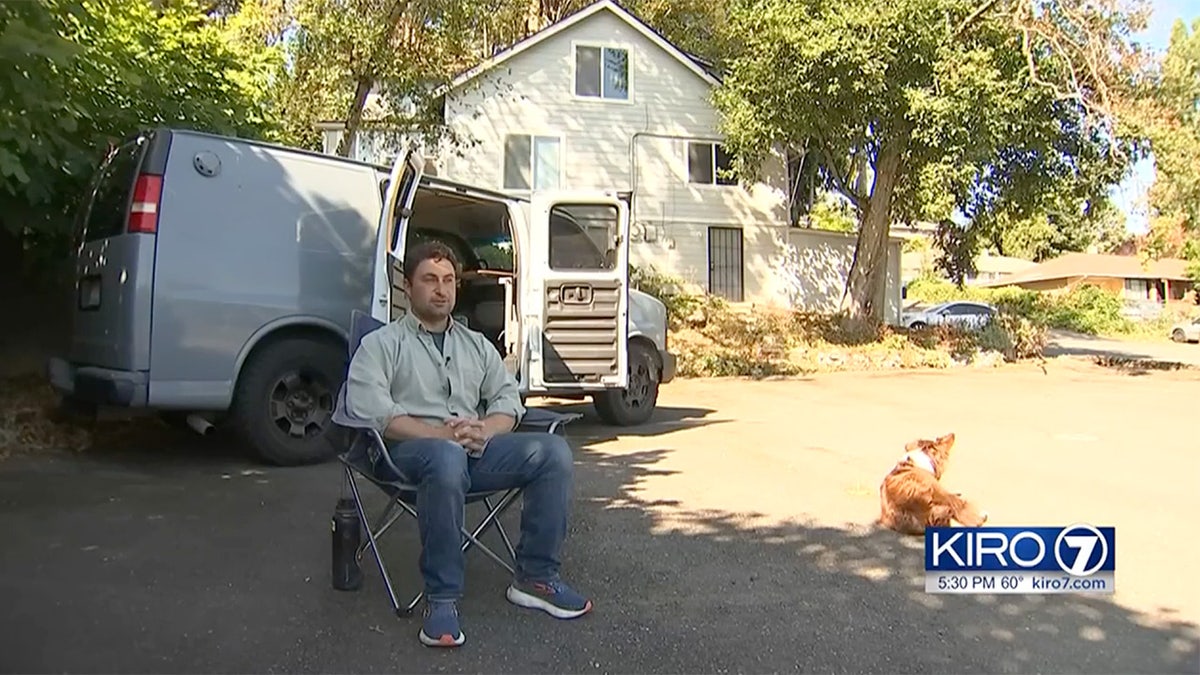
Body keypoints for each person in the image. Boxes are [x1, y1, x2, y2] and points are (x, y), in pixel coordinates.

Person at [345, 240, 592, 648]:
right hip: (407, 456)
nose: (441, 290)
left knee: (553, 453)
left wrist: (488, 429)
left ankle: (535, 578)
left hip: (473, 449)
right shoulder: (383, 344)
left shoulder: (476, 345)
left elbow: (507, 399)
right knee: (444, 458)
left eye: (448, 281)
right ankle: (441, 598)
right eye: (429, 280)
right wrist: (440, 436)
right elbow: (373, 410)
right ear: (408, 287)